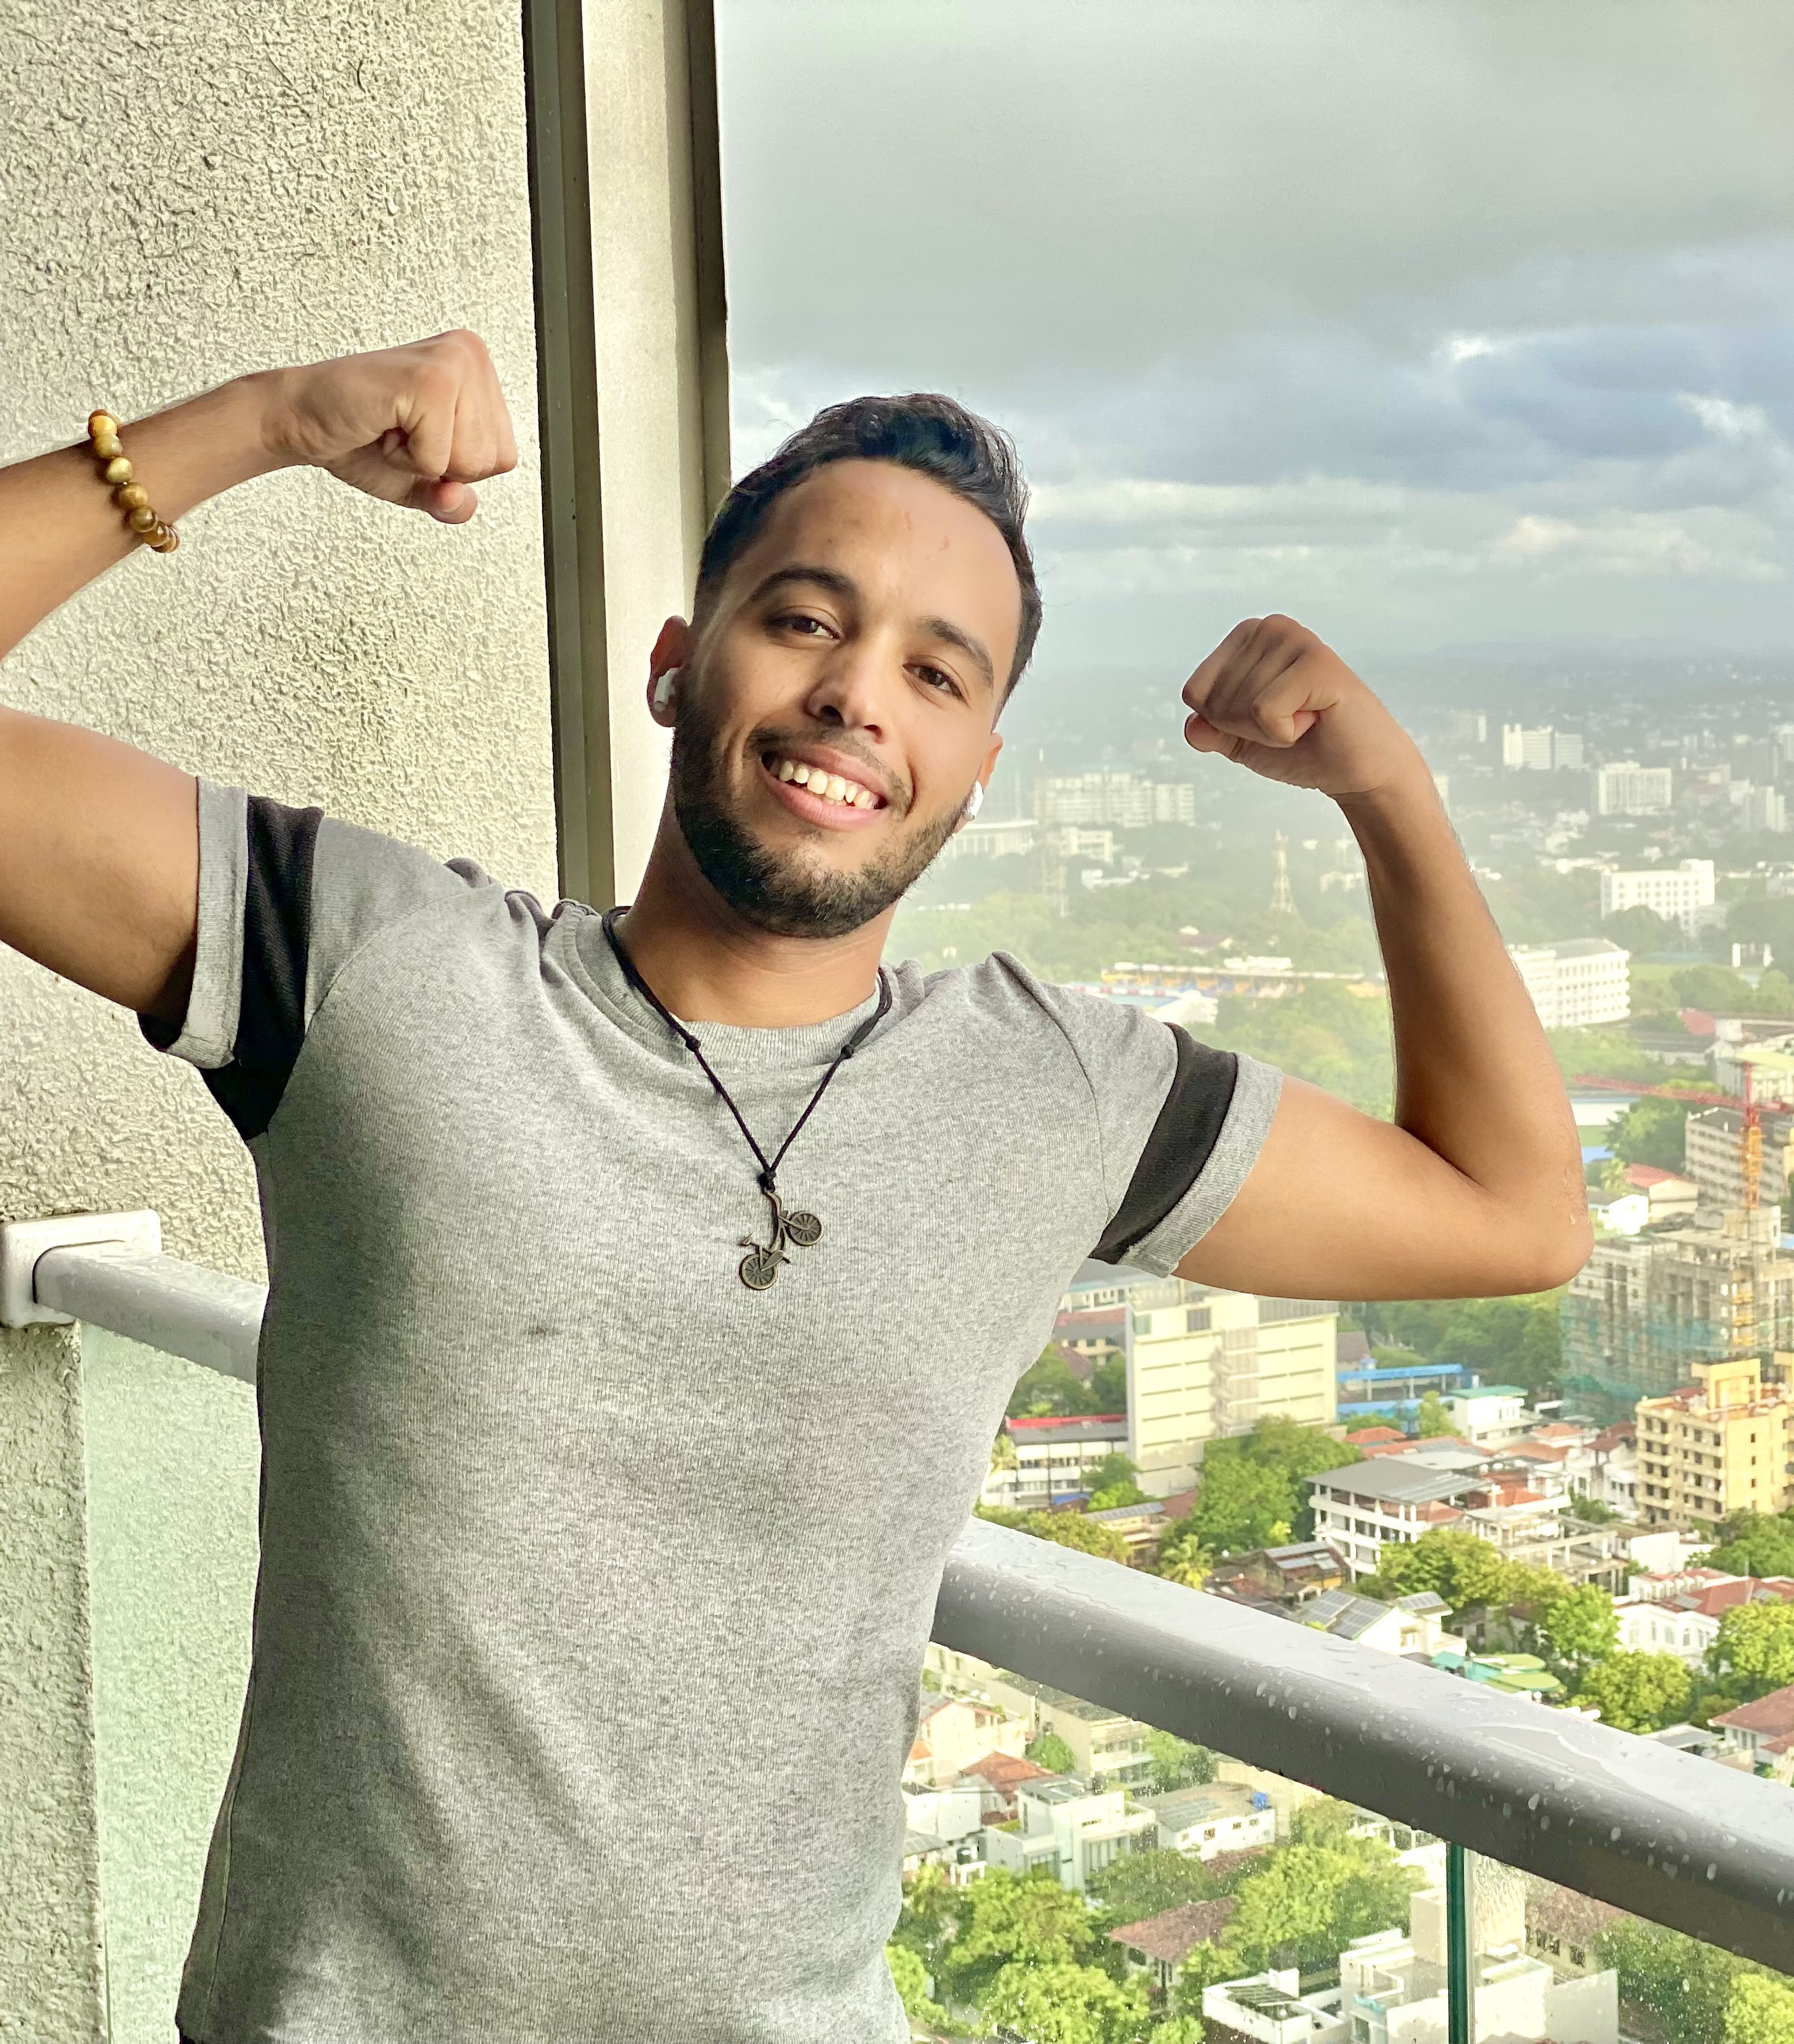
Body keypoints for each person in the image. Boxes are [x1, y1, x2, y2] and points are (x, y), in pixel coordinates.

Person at [0, 331, 1588, 2044]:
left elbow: (1514, 1216)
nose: (858, 696)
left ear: (978, 771)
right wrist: (259, 424)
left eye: (938, 672)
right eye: (808, 620)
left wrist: (1387, 794)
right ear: (677, 668)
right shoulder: (372, 971)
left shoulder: (1045, 1093)